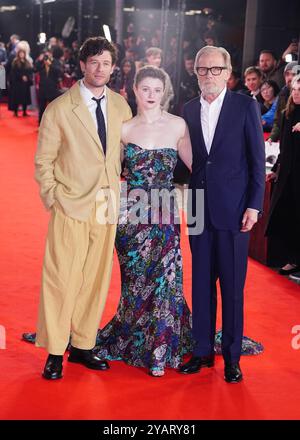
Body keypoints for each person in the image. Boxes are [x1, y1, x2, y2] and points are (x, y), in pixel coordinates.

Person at [34, 36, 132, 380]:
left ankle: (83, 344)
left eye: (106, 63)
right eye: (94, 63)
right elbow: (43, 161)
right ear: (82, 66)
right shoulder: (60, 108)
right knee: (61, 279)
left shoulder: (121, 106)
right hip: (71, 205)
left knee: (95, 279)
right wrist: (54, 197)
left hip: (107, 205)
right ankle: (55, 350)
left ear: (112, 67)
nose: (100, 69)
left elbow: (127, 153)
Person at [94, 65, 194, 377]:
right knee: (136, 286)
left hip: (164, 216)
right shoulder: (123, 129)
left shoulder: (178, 126)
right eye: (146, 89)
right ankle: (134, 340)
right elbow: (106, 172)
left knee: (166, 282)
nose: (151, 95)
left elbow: (200, 167)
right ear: (135, 90)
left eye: (157, 90)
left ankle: (159, 353)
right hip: (131, 218)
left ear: (165, 93)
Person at [180, 46, 265, 383]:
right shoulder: (186, 110)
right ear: (196, 73)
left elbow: (257, 162)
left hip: (235, 210)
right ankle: (201, 351)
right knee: (201, 284)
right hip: (199, 208)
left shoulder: (246, 106)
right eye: (203, 70)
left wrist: (254, 205)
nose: (209, 75)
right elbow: (183, 161)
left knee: (232, 287)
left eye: (216, 69)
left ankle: (231, 357)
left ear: (228, 72)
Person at [266, 74, 300, 279]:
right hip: (288, 174)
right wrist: (276, 169)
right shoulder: (289, 113)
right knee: (287, 215)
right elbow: (284, 147)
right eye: (295, 89)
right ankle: (291, 258)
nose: (297, 93)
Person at [10, 49, 33, 117]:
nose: (21, 54)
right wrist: (21, 77)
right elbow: (14, 72)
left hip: (25, 83)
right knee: (17, 98)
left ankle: (24, 112)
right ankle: (15, 112)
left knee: (25, 98)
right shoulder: (15, 62)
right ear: (18, 54)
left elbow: (30, 71)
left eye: (23, 53)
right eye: (20, 53)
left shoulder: (27, 62)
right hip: (17, 83)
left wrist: (27, 77)